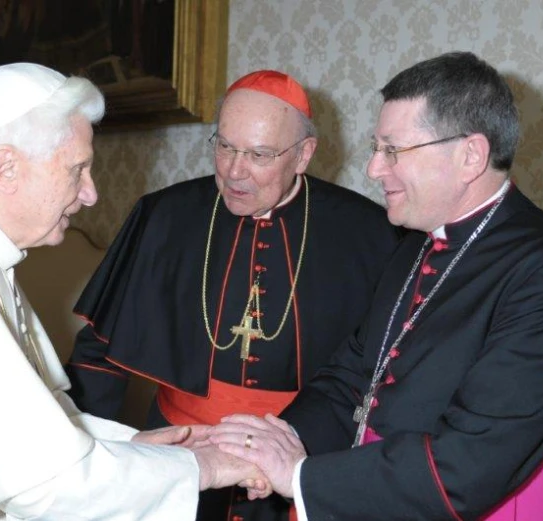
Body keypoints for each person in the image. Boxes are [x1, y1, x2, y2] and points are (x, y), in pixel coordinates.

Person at [0, 62, 267, 521]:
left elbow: (19, 437)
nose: (91, 194)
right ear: (6, 167)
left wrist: (133, 447)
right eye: (77, 170)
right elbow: (40, 486)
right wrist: (198, 467)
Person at [209, 51, 543, 521]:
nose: (373, 169)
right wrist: (279, 441)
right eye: (375, 148)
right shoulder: (415, 245)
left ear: (470, 155)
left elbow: (468, 466)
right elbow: (353, 374)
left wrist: (298, 475)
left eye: (392, 150)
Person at [65, 69, 401, 520]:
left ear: (303, 154)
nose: (234, 170)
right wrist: (89, 466)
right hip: (180, 452)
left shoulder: (370, 233)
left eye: (260, 155)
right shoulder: (164, 215)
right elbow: (99, 355)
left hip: (300, 459)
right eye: (225, 146)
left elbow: (386, 376)